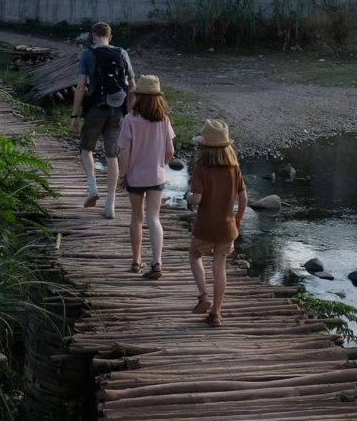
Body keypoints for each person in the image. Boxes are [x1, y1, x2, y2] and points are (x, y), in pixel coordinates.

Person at [70, 21, 135, 219]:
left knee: (86, 149)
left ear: (93, 36)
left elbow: (81, 87)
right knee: (111, 156)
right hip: (117, 111)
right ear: (110, 36)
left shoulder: (88, 54)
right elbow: (132, 86)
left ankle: (92, 188)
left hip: (95, 109)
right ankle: (110, 204)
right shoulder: (122, 53)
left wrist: (74, 115)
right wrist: (130, 114)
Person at [186, 119, 247, 327]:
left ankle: (203, 295)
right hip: (226, 229)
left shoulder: (201, 169)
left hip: (204, 227)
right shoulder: (234, 168)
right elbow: (244, 198)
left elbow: (196, 199)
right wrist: (237, 219)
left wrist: (188, 195)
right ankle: (216, 313)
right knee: (219, 267)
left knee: (195, 255)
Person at [117, 75, 175, 279]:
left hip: (135, 176)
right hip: (156, 175)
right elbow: (170, 151)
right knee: (154, 219)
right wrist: (161, 165)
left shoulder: (129, 119)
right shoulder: (164, 120)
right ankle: (157, 262)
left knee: (137, 218)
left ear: (138, 96)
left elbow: (124, 150)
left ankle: (136, 261)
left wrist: (122, 175)